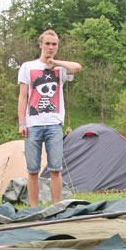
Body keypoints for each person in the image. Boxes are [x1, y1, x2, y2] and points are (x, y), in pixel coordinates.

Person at [18, 29, 82, 207]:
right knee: (32, 170)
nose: (51, 47)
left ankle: (56, 207)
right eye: (47, 43)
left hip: (54, 124)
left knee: (55, 168)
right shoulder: (27, 67)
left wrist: (55, 63)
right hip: (32, 124)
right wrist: (21, 122)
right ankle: (33, 208)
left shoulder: (61, 69)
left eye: (54, 44)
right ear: (40, 45)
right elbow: (23, 96)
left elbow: (77, 68)